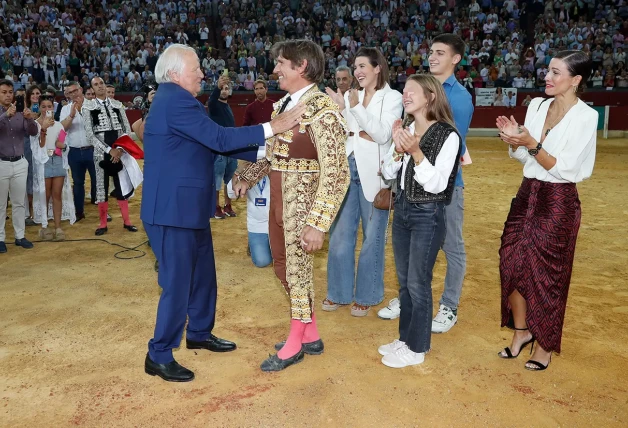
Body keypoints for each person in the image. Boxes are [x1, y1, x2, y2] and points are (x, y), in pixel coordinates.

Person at [141, 44, 305, 382]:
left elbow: (215, 142)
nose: (202, 73)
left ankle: (199, 332)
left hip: (187, 207)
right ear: (174, 74)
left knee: (202, 275)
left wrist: (272, 145)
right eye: (196, 68)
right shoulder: (174, 99)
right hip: (172, 211)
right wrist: (273, 128)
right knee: (177, 282)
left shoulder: (180, 100)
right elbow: (218, 136)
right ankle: (158, 354)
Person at [235, 39, 350, 371]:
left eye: (281, 63)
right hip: (278, 205)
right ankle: (310, 332)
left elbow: (338, 174)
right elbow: (273, 157)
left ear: (301, 66)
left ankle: (295, 342)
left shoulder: (323, 110)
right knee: (283, 267)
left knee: (297, 273)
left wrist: (318, 223)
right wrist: (249, 175)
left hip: (303, 210)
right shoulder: (284, 105)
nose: (275, 70)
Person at [496, 50, 596, 371]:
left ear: (575, 80)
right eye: (547, 71)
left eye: (556, 73)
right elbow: (527, 159)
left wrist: (530, 144)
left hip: (559, 201)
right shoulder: (537, 105)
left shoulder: (586, 117)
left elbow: (564, 169)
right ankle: (522, 332)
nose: (547, 78)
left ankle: (546, 345)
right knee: (509, 260)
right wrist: (515, 141)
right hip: (527, 194)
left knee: (548, 273)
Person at [378, 34, 474, 335]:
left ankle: (449, 305)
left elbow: (451, 143)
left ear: (455, 59)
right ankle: (409, 296)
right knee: (410, 243)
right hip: (412, 180)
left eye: (440, 53)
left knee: (451, 245)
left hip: (445, 186)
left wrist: (414, 150)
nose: (432, 57)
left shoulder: (459, 98)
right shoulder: (418, 89)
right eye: (431, 52)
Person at [378, 74, 461, 368]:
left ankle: (417, 347)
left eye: (412, 91)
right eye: (404, 91)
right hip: (402, 211)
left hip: (428, 214)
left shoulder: (448, 135)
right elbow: (387, 171)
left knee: (418, 283)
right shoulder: (408, 129)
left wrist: (415, 152)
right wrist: (400, 154)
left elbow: (438, 184)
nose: (406, 95)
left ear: (430, 97)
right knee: (405, 283)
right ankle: (405, 338)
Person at [324, 47, 403, 317]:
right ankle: (338, 292)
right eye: (355, 66)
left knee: (373, 239)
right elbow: (347, 132)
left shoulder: (393, 97)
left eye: (362, 66)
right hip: (348, 167)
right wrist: (341, 110)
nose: (357, 71)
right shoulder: (348, 95)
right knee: (340, 234)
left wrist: (355, 110)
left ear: (377, 68)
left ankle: (368, 295)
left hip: (378, 176)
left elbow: (382, 135)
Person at [82, 76, 138, 236]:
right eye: (96, 85)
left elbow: (126, 129)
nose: (100, 86)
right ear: (92, 89)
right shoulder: (87, 108)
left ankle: (127, 222)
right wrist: (109, 150)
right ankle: (102, 224)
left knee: (121, 186)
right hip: (101, 154)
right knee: (102, 188)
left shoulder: (117, 105)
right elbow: (90, 135)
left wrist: (119, 149)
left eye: (101, 83)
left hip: (119, 152)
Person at [30, 95, 75, 240]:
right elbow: (37, 147)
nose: (47, 109)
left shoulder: (59, 125)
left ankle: (58, 227)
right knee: (45, 194)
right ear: (39, 108)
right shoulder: (35, 125)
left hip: (58, 161)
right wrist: (43, 128)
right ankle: (44, 226)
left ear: (53, 108)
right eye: (43, 106)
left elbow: (63, 143)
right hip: (43, 163)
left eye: (49, 106)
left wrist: (63, 146)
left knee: (57, 194)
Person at [0, 79, 37, 253]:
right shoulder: (6, 113)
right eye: (4, 92)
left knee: (18, 202)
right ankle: (0, 238)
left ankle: (19, 236)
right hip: (1, 162)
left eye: (10, 92)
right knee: (0, 204)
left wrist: (30, 120)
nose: (8, 95)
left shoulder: (20, 112)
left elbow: (33, 132)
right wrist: (5, 115)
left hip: (20, 162)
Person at [241, 78, 274, 267]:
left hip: (273, 153)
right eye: (256, 89)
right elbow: (246, 128)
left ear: (266, 89)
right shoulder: (250, 108)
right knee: (255, 195)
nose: (259, 91)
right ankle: (254, 239)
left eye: (262, 88)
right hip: (255, 153)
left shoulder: (274, 105)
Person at [60, 82, 96, 221]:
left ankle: (102, 209)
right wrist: (71, 115)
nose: (74, 94)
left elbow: (96, 126)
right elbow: (62, 128)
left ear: (81, 90)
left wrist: (81, 111)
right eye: (70, 92)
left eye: (75, 90)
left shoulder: (93, 105)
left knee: (98, 181)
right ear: (67, 95)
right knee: (78, 182)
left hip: (92, 149)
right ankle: (79, 211)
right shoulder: (65, 109)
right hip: (74, 151)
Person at [208, 75, 238, 219]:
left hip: (231, 150)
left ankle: (227, 205)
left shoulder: (227, 107)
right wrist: (217, 87)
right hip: (219, 150)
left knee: (229, 179)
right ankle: (215, 207)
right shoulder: (214, 106)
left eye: (227, 89)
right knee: (217, 180)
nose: (224, 91)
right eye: (222, 89)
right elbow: (211, 100)